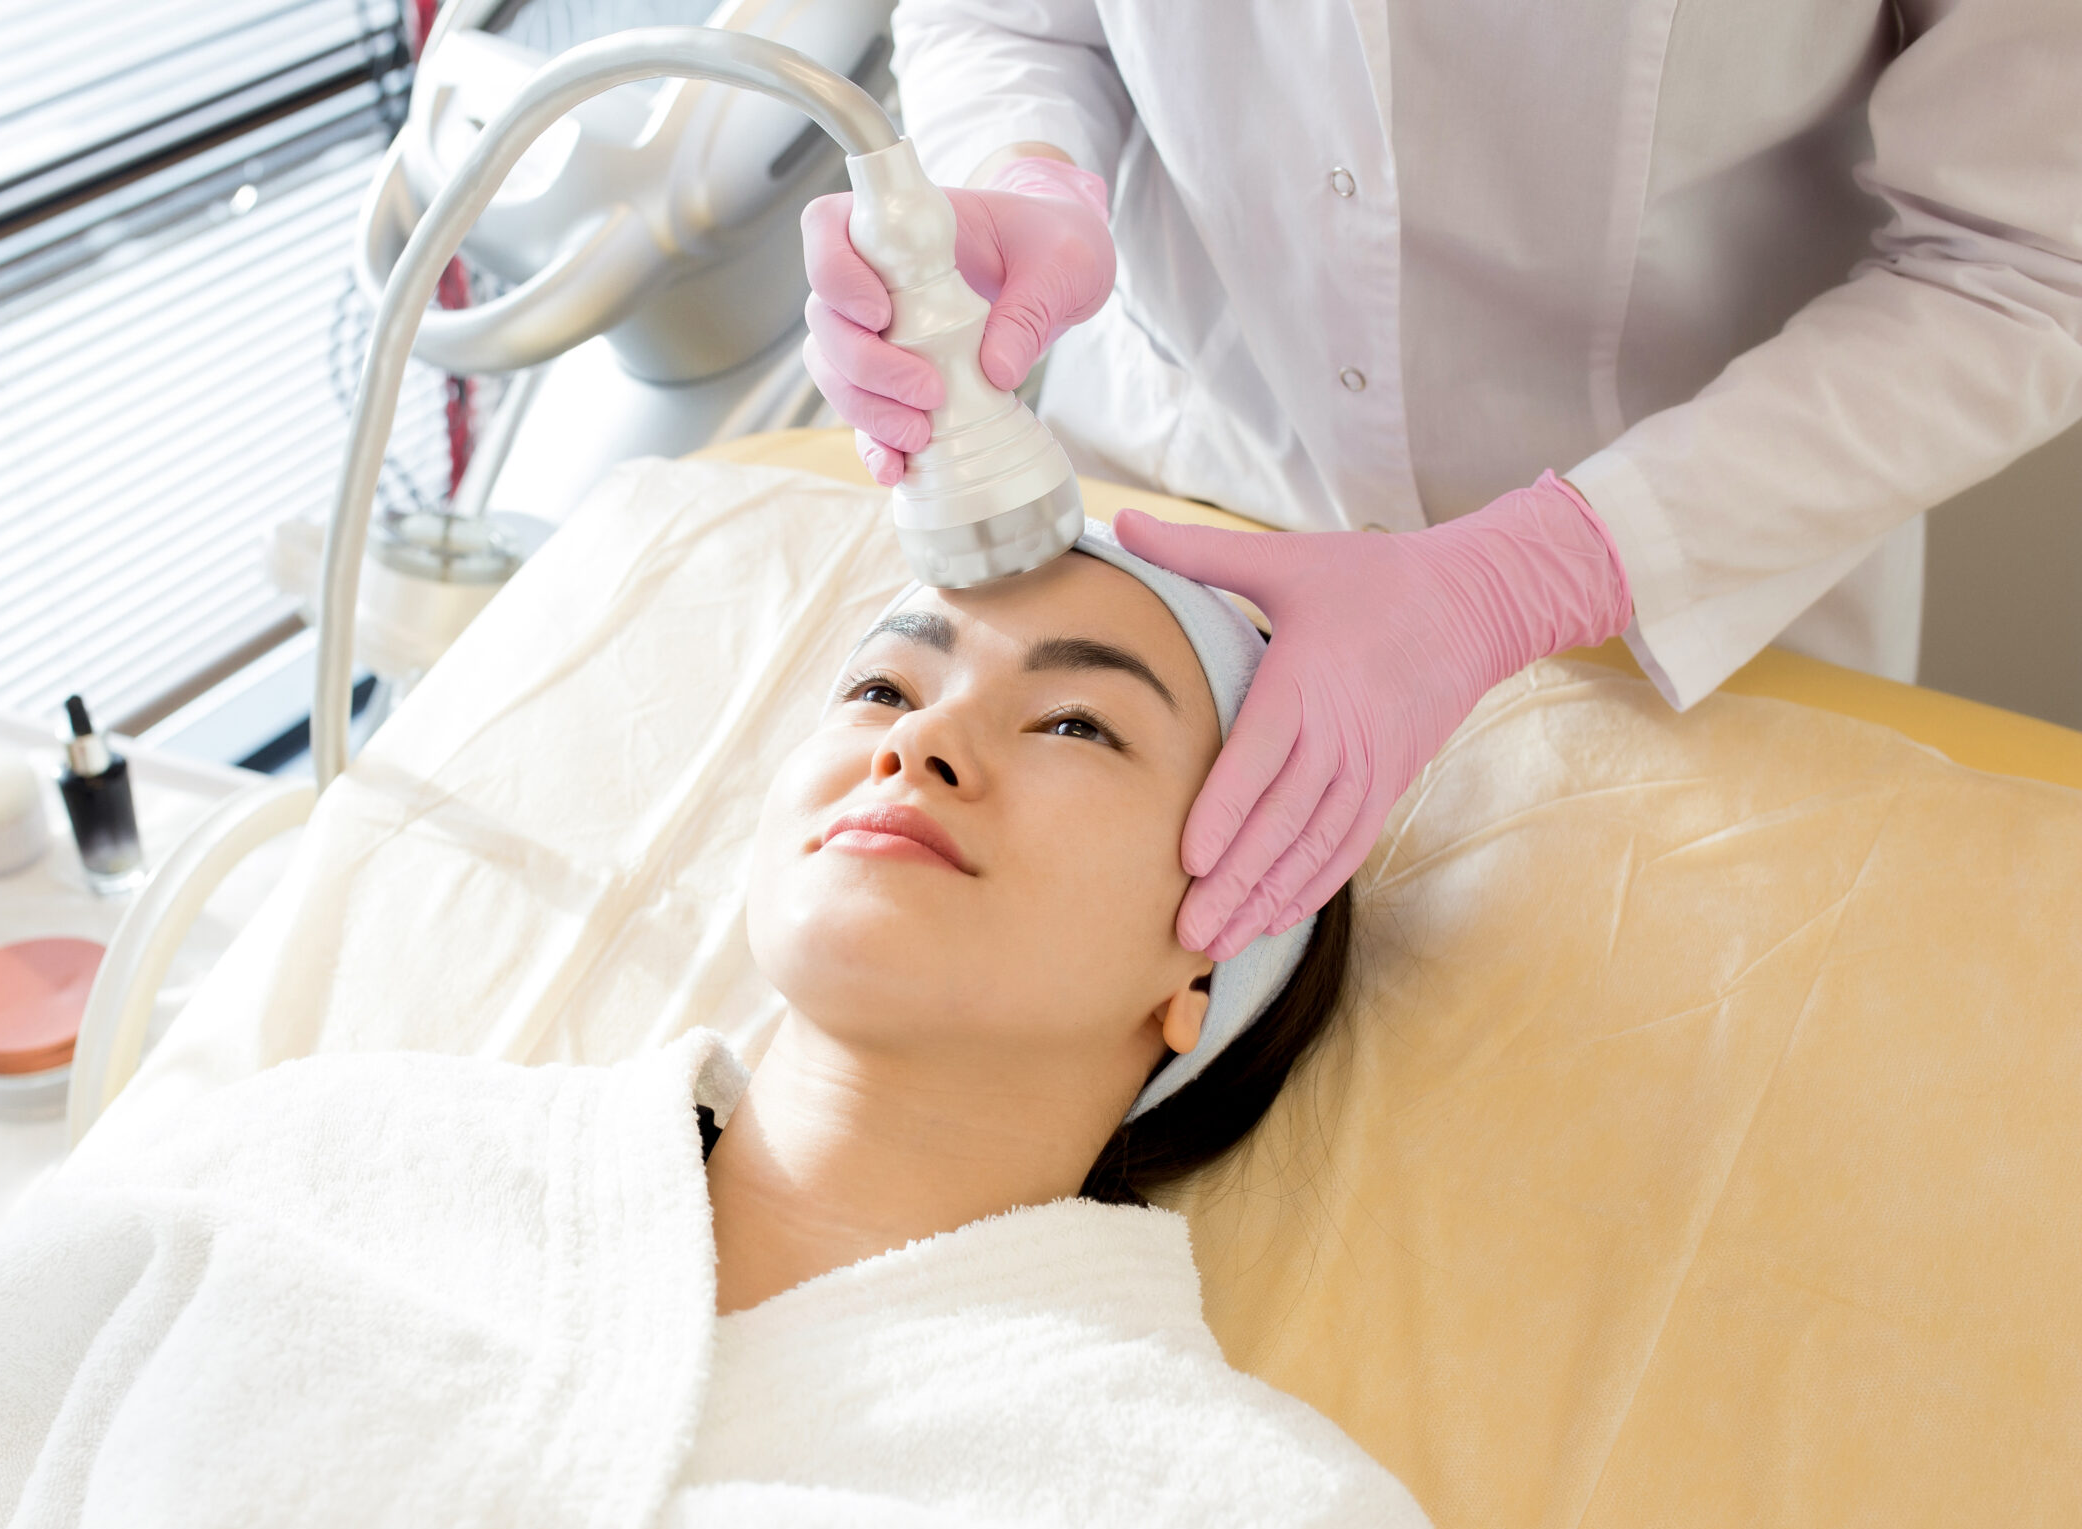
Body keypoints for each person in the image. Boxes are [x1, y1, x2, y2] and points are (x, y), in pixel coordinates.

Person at [0, 534, 1483, 1529]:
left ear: (1205, 972)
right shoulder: (319, 1160)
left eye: (1082, 721)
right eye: (888, 675)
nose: (923, 735)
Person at [802, 0, 2082, 965]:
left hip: (1696, 558)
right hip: (1187, 463)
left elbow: (2033, 257)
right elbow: (1004, 14)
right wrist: (1024, 176)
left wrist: (1528, 576)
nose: (912, 752)